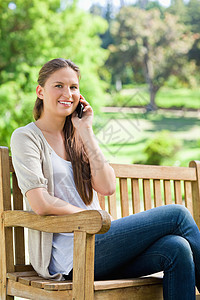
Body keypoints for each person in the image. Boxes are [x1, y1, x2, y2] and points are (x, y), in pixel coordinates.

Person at [11, 58, 200, 300]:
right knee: (178, 215)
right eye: (58, 86)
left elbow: (107, 186)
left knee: (177, 248)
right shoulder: (26, 137)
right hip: (73, 254)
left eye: (73, 87)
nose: (67, 93)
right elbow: (41, 202)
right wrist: (90, 219)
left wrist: (86, 131)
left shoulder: (79, 138)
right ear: (40, 91)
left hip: (100, 244)